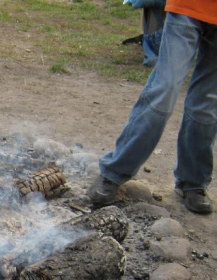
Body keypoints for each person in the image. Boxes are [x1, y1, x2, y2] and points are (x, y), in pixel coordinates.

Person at [88, 1, 217, 214]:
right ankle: (114, 172)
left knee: (207, 104)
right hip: (188, 6)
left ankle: (193, 182)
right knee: (164, 90)